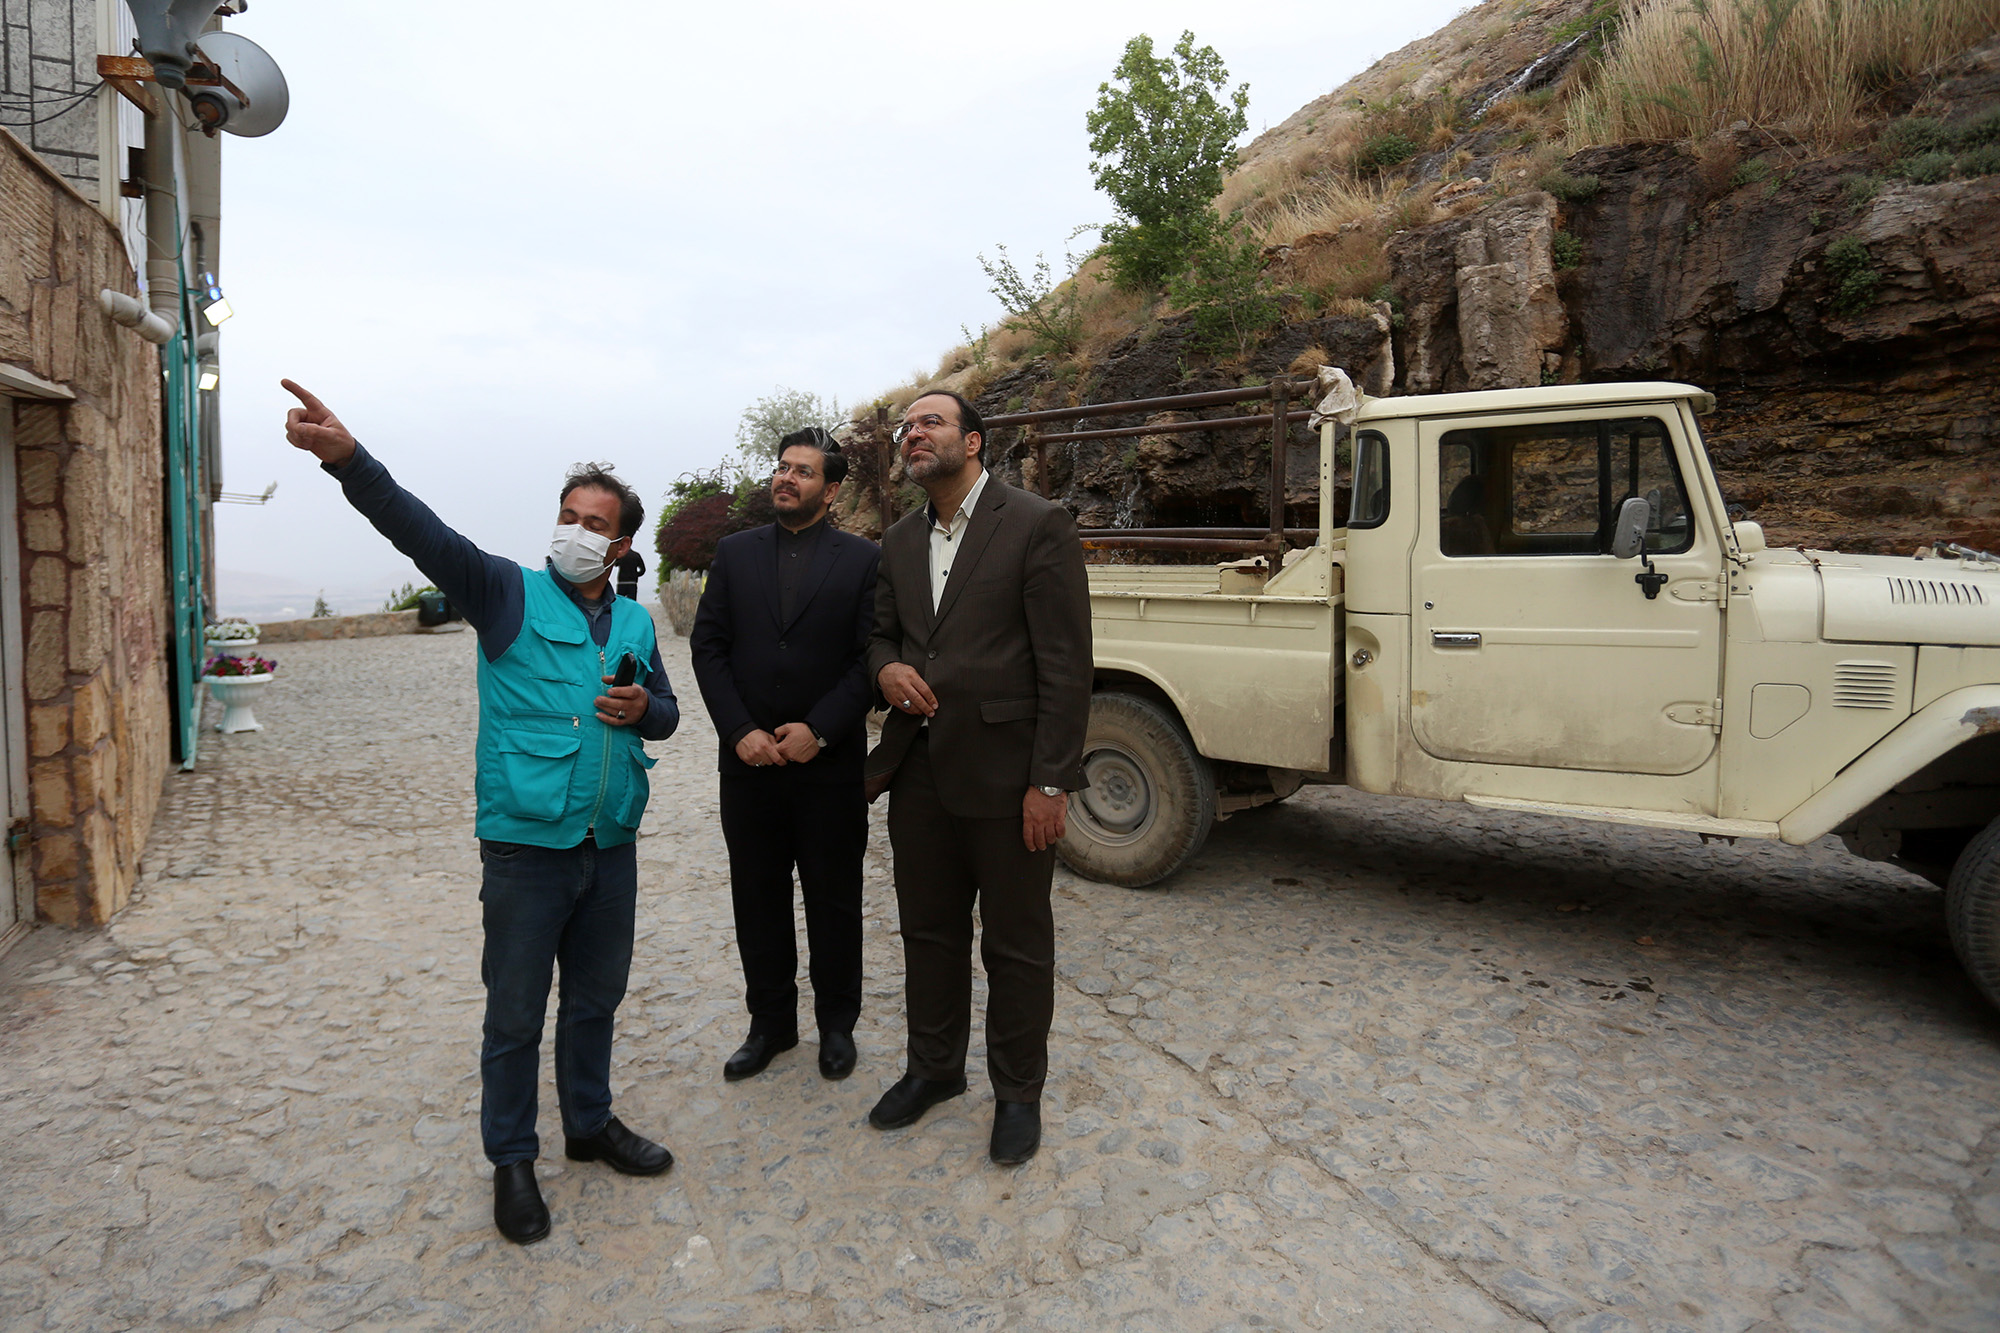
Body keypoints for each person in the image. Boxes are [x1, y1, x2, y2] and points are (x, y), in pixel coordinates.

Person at [280, 379, 680, 1246]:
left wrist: (642, 710)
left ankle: (588, 1124)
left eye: (595, 522)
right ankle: (511, 1159)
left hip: (610, 843)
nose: (576, 530)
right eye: (568, 513)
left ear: (621, 544)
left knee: (596, 1001)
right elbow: (417, 529)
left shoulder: (637, 623)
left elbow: (669, 711)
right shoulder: (502, 592)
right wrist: (350, 461)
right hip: (525, 849)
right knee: (514, 1012)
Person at [862, 390, 1092, 1166]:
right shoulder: (897, 541)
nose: (913, 433)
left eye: (931, 421)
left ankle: (1018, 1092)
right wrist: (887, 667)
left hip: (1009, 777)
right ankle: (934, 1069)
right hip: (920, 772)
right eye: (906, 426)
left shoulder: (1036, 523)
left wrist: (1051, 783)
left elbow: (1066, 664)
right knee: (929, 934)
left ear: (976, 440)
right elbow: (882, 635)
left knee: (1017, 945)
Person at [690, 427, 880, 1083]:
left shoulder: (862, 561)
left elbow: (868, 660)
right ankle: (770, 1024)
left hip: (827, 770)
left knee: (834, 900)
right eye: (781, 467)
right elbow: (708, 647)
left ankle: (836, 1026)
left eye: (802, 471)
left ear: (830, 489)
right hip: (748, 769)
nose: (786, 477)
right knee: (757, 900)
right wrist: (739, 727)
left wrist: (820, 728)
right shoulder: (735, 553)